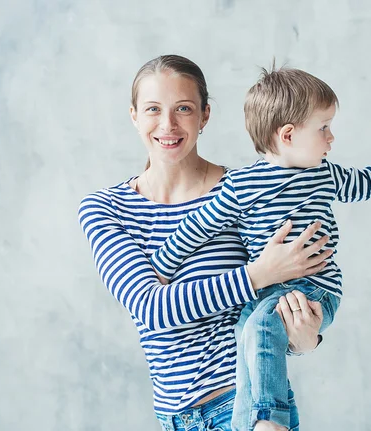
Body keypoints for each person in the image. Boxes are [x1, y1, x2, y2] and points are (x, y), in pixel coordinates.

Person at [149, 66, 371, 431]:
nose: (331, 138)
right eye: (323, 128)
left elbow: (368, 182)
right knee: (247, 336)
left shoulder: (324, 173)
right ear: (288, 135)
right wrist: (163, 264)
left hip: (316, 287)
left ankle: (269, 420)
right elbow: (199, 225)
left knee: (260, 327)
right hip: (264, 293)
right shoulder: (242, 184)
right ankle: (249, 423)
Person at [78, 55, 335, 431]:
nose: (168, 125)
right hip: (174, 419)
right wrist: (259, 273)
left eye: (183, 108)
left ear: (205, 115)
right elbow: (152, 309)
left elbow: (275, 306)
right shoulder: (106, 209)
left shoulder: (249, 192)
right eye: (153, 109)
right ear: (134, 116)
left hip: (247, 409)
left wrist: (305, 339)